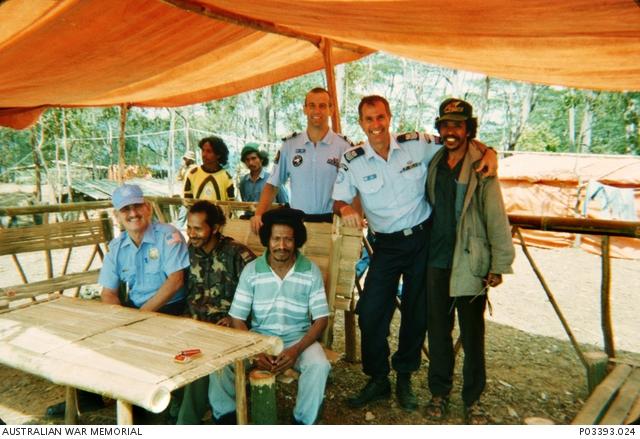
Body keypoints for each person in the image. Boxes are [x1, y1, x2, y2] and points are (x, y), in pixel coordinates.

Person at [332, 95, 498, 411]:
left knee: (416, 312)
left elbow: (458, 141)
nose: (376, 125)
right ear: (361, 123)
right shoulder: (351, 160)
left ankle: (405, 376)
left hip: (422, 239)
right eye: (369, 119)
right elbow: (339, 199)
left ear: (389, 117)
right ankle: (378, 378)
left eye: (380, 117)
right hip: (384, 245)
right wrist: (344, 210)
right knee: (370, 312)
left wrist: (491, 152)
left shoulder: (416, 144)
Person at [47, 184, 190, 419]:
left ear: (148, 207)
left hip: (170, 309)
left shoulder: (168, 235)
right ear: (117, 216)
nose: (133, 213)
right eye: (126, 209)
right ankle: (88, 398)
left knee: (138, 347)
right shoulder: (117, 246)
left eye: (136, 206)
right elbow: (109, 292)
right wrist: (117, 319)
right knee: (88, 336)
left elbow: (175, 281)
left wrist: (138, 316)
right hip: (134, 310)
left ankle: (141, 407)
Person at [424, 98, 515, 424]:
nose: (451, 131)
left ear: (468, 130)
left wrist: (499, 263)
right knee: (437, 331)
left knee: (473, 334)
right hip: (436, 261)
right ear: (440, 128)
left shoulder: (482, 166)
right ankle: (439, 392)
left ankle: (473, 399)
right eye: (446, 125)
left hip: (470, 262)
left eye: (458, 125)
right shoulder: (434, 161)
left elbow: (495, 215)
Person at [209, 208, 331, 425]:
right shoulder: (252, 270)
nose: (281, 246)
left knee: (319, 365)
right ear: (268, 239)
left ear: (297, 241)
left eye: (288, 240)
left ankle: (302, 423)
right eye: (276, 239)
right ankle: (226, 419)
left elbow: (321, 319)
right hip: (259, 338)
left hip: (298, 338)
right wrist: (256, 352)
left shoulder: (309, 270)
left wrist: (295, 350)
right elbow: (237, 318)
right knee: (220, 362)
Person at [175, 200, 256, 424]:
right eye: (189, 227)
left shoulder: (237, 254)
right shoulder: (187, 253)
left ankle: (197, 422)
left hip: (225, 335)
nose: (192, 234)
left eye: (198, 228)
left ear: (215, 228)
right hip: (192, 329)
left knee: (205, 366)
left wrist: (235, 318)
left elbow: (261, 294)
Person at [250, 87, 353, 231]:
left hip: (332, 225)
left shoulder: (344, 147)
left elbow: (354, 189)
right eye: (312, 106)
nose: (317, 111)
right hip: (297, 224)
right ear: (304, 109)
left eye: (322, 106)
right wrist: (259, 214)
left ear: (331, 109)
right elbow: (273, 185)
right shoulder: (290, 145)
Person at [238, 142, 288, 211]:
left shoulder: (273, 179)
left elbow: (284, 204)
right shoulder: (243, 182)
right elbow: (246, 205)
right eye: (247, 160)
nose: (250, 163)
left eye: (253, 158)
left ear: (261, 159)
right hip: (249, 219)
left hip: (269, 219)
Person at [183, 136, 235, 201]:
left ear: (218, 155)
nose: (204, 155)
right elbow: (187, 202)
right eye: (203, 150)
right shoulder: (192, 174)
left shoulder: (226, 178)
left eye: (209, 151)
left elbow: (230, 204)